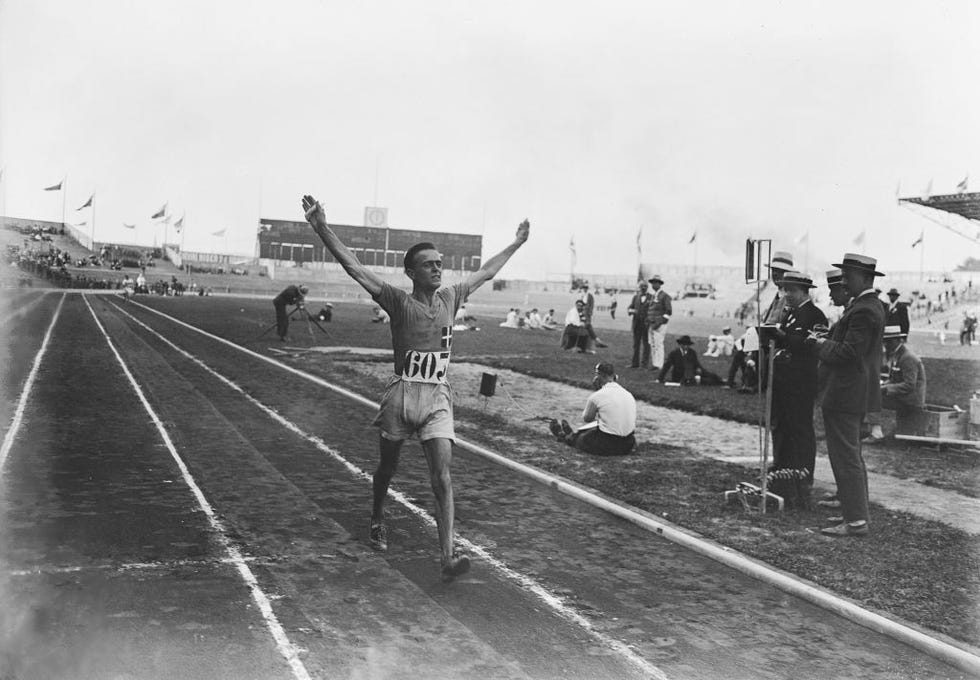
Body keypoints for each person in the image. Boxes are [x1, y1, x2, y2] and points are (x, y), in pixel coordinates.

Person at [302, 193, 529, 582]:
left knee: (442, 477)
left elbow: (487, 272)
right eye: (429, 265)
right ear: (411, 272)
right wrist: (321, 227)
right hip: (402, 395)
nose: (438, 269)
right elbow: (355, 268)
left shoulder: (452, 296)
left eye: (440, 264)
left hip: (437, 395)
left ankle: (447, 557)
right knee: (387, 469)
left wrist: (517, 242)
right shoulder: (396, 300)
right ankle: (376, 515)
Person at [809, 253, 885, 537]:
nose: (842, 281)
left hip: (845, 393)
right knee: (851, 455)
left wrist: (818, 344)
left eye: (847, 276)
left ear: (865, 278)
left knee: (845, 457)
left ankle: (855, 521)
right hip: (850, 392)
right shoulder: (865, 306)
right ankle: (856, 516)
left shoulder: (864, 310)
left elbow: (848, 353)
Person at [769, 271, 827, 492]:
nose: (787, 295)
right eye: (785, 290)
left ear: (804, 291)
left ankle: (804, 473)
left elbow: (809, 345)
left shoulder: (815, 315)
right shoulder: (791, 314)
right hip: (784, 378)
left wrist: (782, 336)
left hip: (801, 381)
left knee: (800, 427)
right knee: (782, 424)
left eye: (791, 290)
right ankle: (783, 467)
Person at [548, 363, 636, 456]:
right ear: (614, 377)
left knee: (584, 438)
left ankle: (565, 437)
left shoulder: (597, 396)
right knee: (600, 427)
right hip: (628, 444)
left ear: (599, 377)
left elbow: (587, 419)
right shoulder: (628, 394)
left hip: (609, 445)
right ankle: (573, 435)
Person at [880, 325, 926, 435]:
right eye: (884, 341)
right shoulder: (897, 355)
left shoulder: (908, 358)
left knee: (872, 399)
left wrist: (885, 389)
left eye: (888, 341)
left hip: (911, 401)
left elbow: (909, 385)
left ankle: (875, 432)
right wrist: (881, 386)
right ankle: (872, 429)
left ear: (898, 340)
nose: (885, 345)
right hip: (902, 398)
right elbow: (893, 379)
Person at [647, 275, 672, 369]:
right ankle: (655, 363)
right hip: (651, 324)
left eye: (656, 283)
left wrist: (660, 322)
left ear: (660, 284)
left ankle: (659, 364)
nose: (654, 285)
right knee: (652, 344)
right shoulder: (654, 296)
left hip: (659, 324)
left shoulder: (665, 296)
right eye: (653, 283)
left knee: (658, 344)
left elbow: (668, 311)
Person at [627, 281, 652, 368]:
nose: (643, 287)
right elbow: (630, 307)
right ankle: (635, 363)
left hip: (646, 324)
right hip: (636, 324)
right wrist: (631, 311)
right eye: (641, 286)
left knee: (646, 345)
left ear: (647, 287)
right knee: (636, 344)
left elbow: (653, 310)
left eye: (645, 286)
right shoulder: (635, 297)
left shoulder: (651, 297)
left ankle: (644, 364)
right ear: (639, 287)